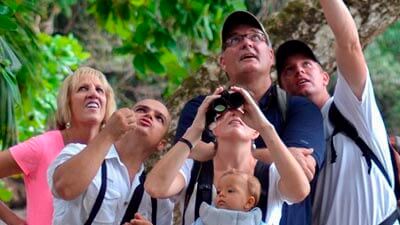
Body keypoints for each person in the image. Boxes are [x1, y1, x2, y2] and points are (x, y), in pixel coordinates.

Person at [171, 10, 325, 225]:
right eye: (235, 39)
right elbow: (186, 153)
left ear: (270, 56)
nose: (246, 43)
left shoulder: (299, 108)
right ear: (222, 61)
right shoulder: (202, 107)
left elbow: (303, 169)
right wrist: (281, 154)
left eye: (255, 37)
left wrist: (223, 150)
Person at [275, 0, 399, 224]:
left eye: (307, 64)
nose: (299, 71)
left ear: (325, 77)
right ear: (282, 88)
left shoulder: (352, 106)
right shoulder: (287, 135)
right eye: (288, 70)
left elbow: (349, 42)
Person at [145, 86, 310, 225]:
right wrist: (194, 131)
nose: (234, 113)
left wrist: (265, 127)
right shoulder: (193, 169)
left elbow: (299, 192)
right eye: (224, 112)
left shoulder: (271, 173)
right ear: (213, 128)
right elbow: (155, 188)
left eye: (244, 112)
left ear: (255, 132)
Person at [0, 67, 116, 225]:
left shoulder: (115, 155)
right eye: (83, 89)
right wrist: (15, 222)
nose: (93, 94)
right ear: (67, 102)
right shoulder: (43, 146)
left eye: (100, 90)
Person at [48, 99, 174, 225]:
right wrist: (108, 133)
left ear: (161, 144)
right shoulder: (77, 152)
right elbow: (65, 188)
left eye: (159, 118)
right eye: (141, 110)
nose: (149, 115)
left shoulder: (157, 199)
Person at [193, 169, 266, 225]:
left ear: (249, 202)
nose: (221, 194)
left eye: (230, 191)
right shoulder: (206, 218)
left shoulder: (256, 222)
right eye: (218, 192)